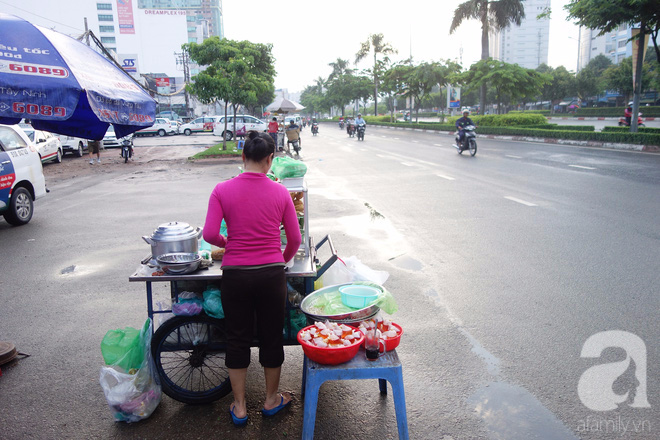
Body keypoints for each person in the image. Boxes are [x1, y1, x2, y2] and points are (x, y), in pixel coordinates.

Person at [202, 131, 301, 426]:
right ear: (270, 160)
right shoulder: (281, 192)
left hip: (235, 276)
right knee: (272, 337)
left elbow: (209, 235)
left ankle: (241, 406)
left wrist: (228, 242)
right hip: (271, 276)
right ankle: (271, 401)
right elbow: (294, 240)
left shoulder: (221, 189)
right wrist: (277, 262)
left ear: (243, 157)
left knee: (237, 339)